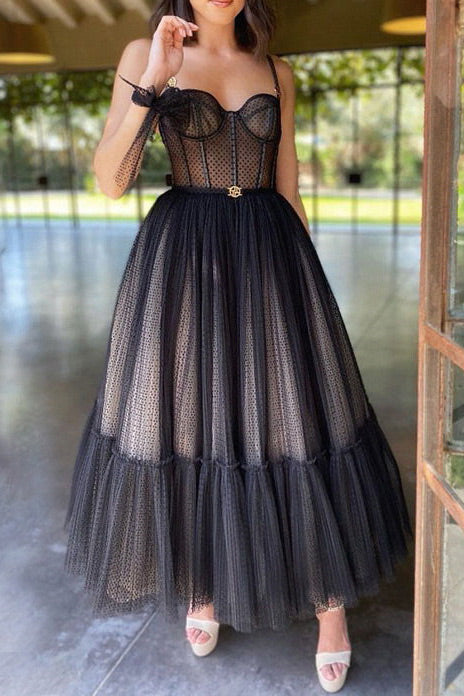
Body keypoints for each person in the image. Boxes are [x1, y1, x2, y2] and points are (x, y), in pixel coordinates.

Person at [63, 0, 413, 692]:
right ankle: (204, 584)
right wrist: (153, 81)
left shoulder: (276, 71)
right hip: (184, 259)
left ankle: (330, 606)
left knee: (295, 423)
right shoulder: (144, 56)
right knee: (191, 423)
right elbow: (109, 181)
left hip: (271, 255)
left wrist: (311, 293)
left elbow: (286, 183)